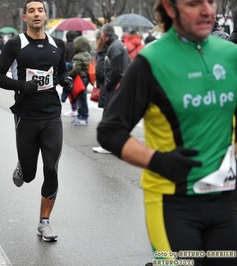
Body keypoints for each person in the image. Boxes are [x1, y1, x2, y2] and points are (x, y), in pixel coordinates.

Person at [97, 0, 237, 265]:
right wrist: (158, 161)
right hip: (172, 203)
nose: (207, 10)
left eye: (211, 1)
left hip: (224, 202)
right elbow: (110, 131)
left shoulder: (231, 55)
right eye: (194, 3)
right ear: (170, 8)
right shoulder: (151, 61)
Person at [0, 0, 72, 242]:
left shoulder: (58, 45)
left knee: (51, 167)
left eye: (40, 10)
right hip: (25, 116)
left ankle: (44, 222)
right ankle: (22, 167)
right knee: (28, 175)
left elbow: (60, 72)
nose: (36, 14)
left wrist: (65, 80)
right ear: (24, 17)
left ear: (45, 16)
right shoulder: (15, 44)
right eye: (31, 11)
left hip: (51, 115)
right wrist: (21, 86)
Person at [92, 24, 130, 154]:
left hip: (115, 86)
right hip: (119, 85)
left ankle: (107, 145)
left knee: (109, 115)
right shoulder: (119, 44)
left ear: (103, 34)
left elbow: (114, 71)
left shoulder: (114, 47)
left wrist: (108, 85)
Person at [68, 35, 91, 126]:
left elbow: (76, 69)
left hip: (80, 79)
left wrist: (68, 74)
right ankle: (82, 115)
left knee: (81, 98)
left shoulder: (78, 56)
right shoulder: (88, 54)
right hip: (86, 78)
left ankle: (83, 117)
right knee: (83, 97)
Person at [61, 30, 79, 117]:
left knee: (70, 88)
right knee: (78, 90)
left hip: (68, 70)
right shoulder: (78, 46)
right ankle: (77, 108)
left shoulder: (66, 46)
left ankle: (74, 108)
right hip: (78, 70)